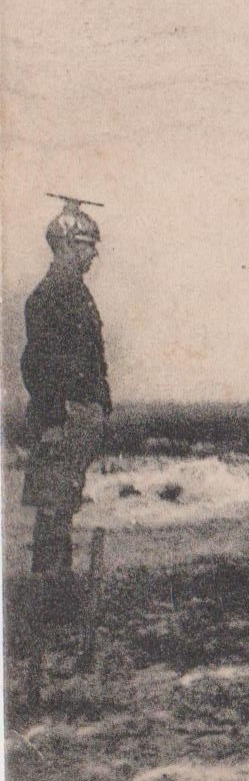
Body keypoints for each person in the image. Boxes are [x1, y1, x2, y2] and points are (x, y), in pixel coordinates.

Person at [21, 195, 111, 587]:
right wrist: (55, 420)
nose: (92, 256)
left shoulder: (73, 292)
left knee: (64, 502)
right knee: (55, 506)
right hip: (63, 417)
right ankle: (49, 588)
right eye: (87, 246)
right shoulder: (53, 294)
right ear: (67, 246)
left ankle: (56, 583)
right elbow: (38, 365)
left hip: (76, 415)